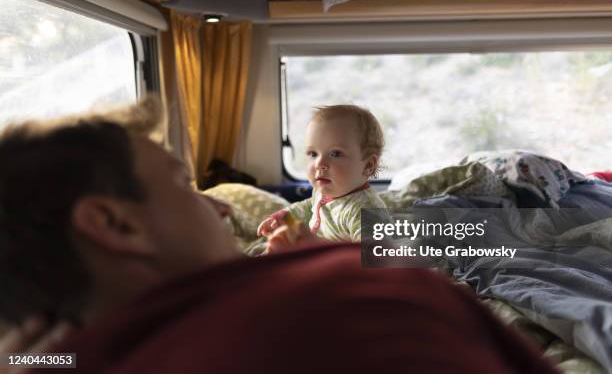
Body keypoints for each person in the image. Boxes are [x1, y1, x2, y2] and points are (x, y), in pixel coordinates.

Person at [0, 105, 557, 373]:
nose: (219, 204)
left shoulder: (60, 358)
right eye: (183, 185)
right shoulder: (365, 305)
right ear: (116, 225)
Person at [257, 105, 389, 252]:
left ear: (368, 166)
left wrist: (316, 245)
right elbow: (308, 208)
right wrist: (285, 218)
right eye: (313, 154)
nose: (319, 164)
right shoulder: (323, 192)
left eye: (335, 154)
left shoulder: (366, 210)